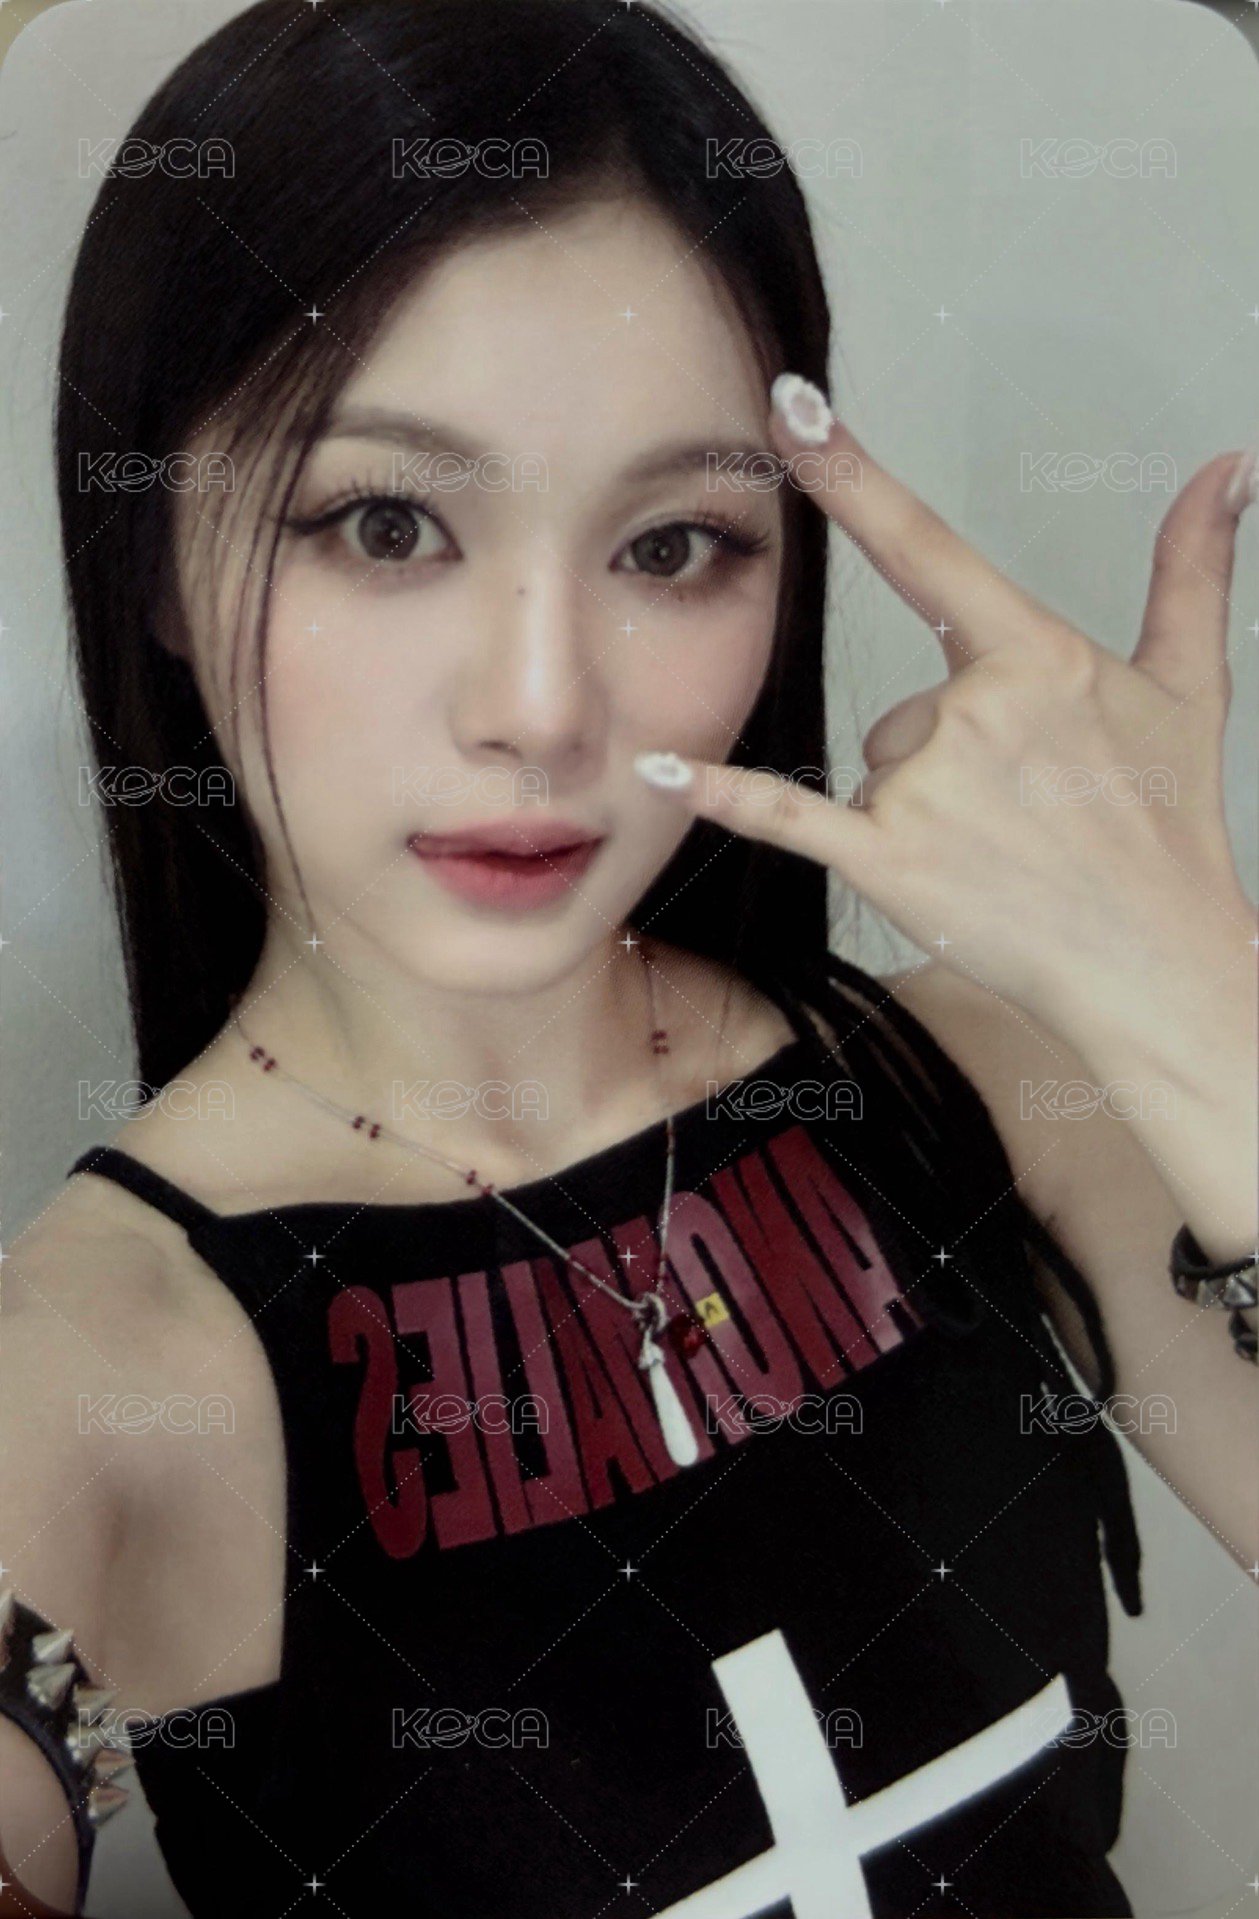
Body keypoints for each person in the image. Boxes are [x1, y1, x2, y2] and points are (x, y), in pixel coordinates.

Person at [2, 1, 1255, 1914]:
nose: (543, 707)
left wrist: (1193, 987)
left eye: (674, 547)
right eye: (387, 523)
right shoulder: (92, 1366)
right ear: (155, 554)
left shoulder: (996, 1085)